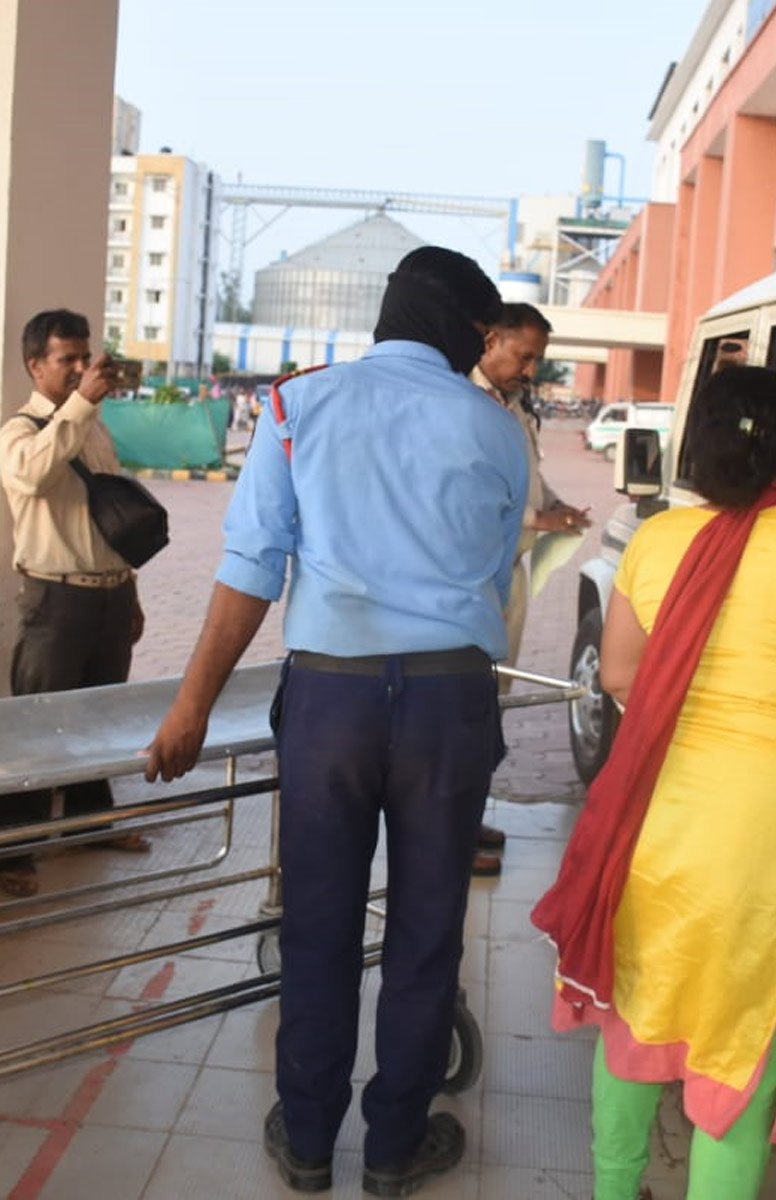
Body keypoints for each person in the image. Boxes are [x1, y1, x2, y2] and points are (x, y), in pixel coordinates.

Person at [144, 247, 528, 1197]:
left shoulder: (293, 408)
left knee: (318, 921)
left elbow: (249, 569)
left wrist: (189, 706)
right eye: (482, 333)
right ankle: (395, 1146)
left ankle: (308, 1139)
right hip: (448, 700)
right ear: (455, 329)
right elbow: (492, 571)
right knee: (428, 925)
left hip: (330, 705)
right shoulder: (498, 432)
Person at [531, 365, 776, 1199]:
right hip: (763, 852)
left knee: (633, 1027)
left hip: (659, 833)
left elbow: (619, 671)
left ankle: (616, 1189)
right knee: (742, 1058)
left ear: (693, 442)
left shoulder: (656, 539)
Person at [0, 309, 151, 900]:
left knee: (100, 719)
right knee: (39, 722)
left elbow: (107, 522)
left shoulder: (93, 426)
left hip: (108, 594)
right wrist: (79, 405)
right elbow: (34, 477)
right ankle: (15, 846)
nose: (81, 369)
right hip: (54, 598)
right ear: (36, 365)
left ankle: (91, 823)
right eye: (68, 359)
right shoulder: (19, 431)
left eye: (84, 358)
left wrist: (130, 592)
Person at [469, 302, 591, 876]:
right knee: (466, 704)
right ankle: (451, 828)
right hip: (472, 580)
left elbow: (527, 481)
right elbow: (467, 497)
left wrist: (555, 506)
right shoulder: (461, 403)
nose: (530, 370)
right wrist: (537, 522)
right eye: (524, 356)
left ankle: (467, 815)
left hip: (509, 577)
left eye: (536, 360)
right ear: (490, 340)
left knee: (493, 702)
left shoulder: (514, 405)